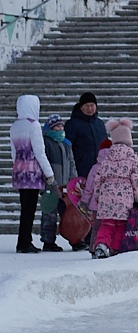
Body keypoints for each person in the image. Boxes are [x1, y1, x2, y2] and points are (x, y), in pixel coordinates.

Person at [87, 118, 138, 259]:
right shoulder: (133, 158)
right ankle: (115, 248)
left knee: (107, 223)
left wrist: (98, 196)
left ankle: (101, 244)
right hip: (124, 197)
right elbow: (136, 180)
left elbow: (98, 178)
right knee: (120, 224)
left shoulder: (106, 157)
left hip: (106, 195)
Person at [9, 94, 56, 253]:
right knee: (30, 208)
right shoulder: (34, 125)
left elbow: (13, 153)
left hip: (19, 170)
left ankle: (23, 240)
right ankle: (24, 242)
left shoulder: (15, 126)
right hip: (32, 172)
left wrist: (18, 166)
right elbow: (39, 152)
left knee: (25, 208)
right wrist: (49, 173)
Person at [40, 113, 77, 252]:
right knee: (49, 213)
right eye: (56, 126)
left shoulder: (66, 143)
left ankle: (75, 239)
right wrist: (49, 181)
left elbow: (71, 162)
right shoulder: (46, 142)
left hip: (65, 185)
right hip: (51, 184)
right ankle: (48, 241)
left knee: (69, 213)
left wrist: (73, 179)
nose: (60, 128)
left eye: (61, 125)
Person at [65, 91, 107, 178]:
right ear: (81, 107)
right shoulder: (72, 124)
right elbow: (67, 147)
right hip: (81, 169)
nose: (90, 109)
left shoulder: (100, 124)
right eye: (87, 106)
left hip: (100, 169)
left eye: (92, 105)